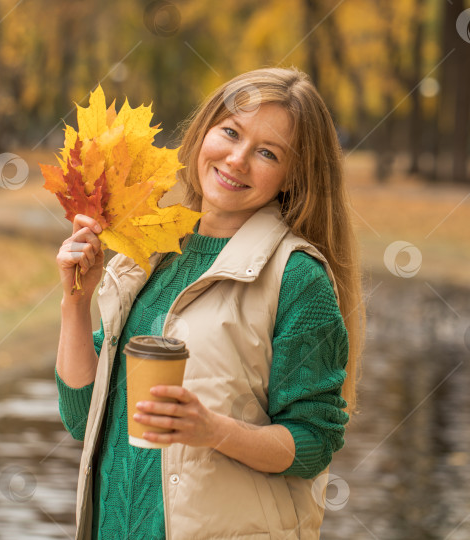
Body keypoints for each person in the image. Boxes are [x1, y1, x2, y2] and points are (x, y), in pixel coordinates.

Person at [54, 67, 364, 540]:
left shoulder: (297, 278)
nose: (237, 160)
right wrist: (75, 304)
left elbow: (313, 442)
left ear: (291, 176)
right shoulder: (150, 253)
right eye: (231, 132)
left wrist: (211, 430)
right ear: (204, 131)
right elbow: (82, 417)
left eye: (267, 152)